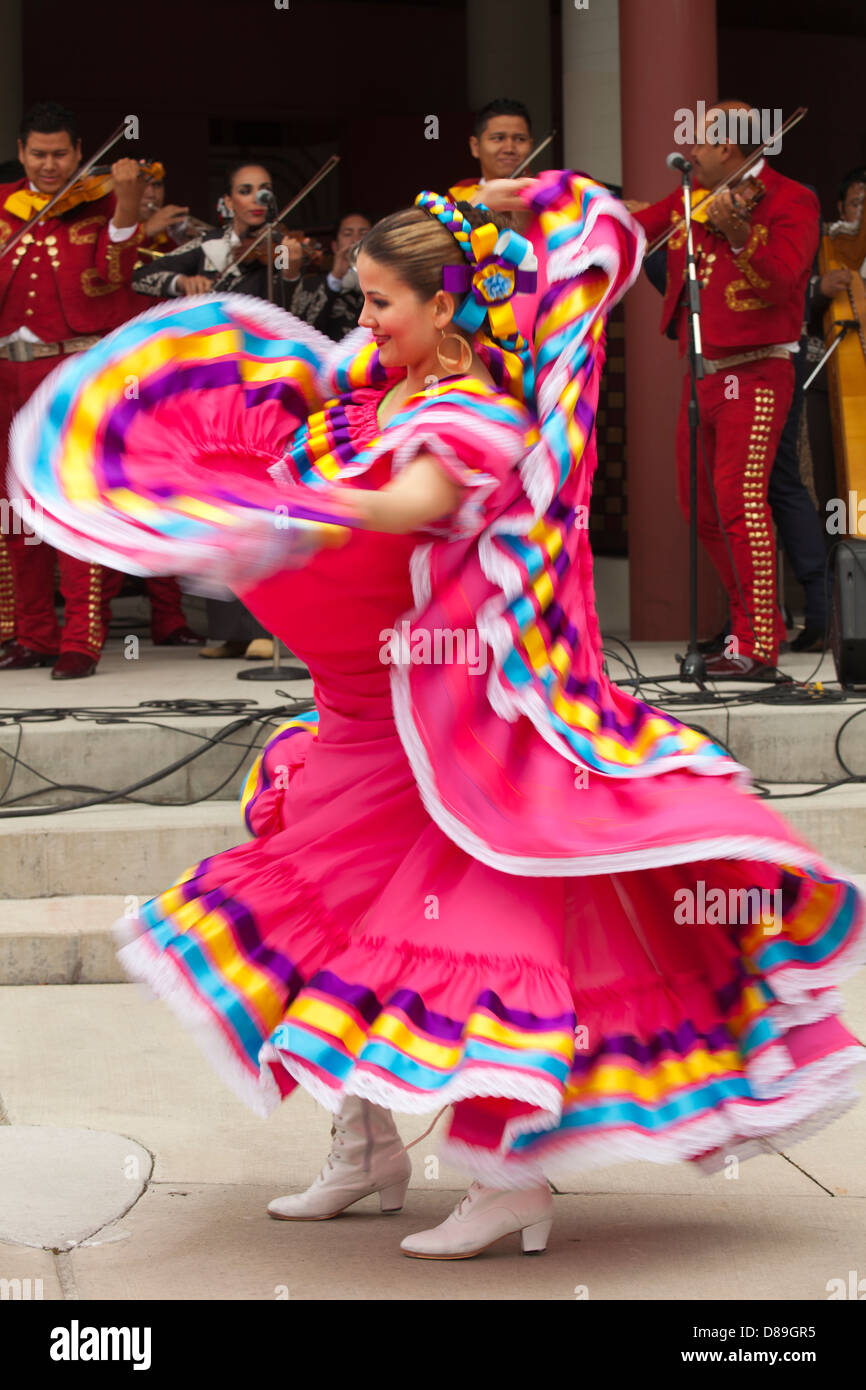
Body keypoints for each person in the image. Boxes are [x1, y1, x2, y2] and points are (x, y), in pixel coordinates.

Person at [11, 174, 864, 1261]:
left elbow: (407, 505)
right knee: (322, 942)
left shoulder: (473, 417)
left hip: (452, 736)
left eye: (378, 303)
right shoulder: (380, 384)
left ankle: (513, 1179)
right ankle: (364, 1151)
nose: (359, 323)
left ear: (444, 306)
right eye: (359, 300)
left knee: (474, 949)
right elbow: (297, 429)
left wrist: (282, 512)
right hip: (358, 728)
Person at [630, 101, 820, 680]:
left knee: (741, 503)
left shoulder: (792, 199)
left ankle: (761, 644)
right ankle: (743, 630)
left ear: (733, 149)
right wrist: (569, 210)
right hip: (703, 372)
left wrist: (739, 233)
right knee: (703, 509)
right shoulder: (694, 194)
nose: (692, 150)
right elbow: (638, 227)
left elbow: (785, 282)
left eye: (704, 140)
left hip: (757, 372)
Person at [0, 101, 144, 679]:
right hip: (7, 372)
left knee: (70, 503)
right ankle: (29, 633)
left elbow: (113, 278)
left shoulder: (103, 202)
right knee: (14, 512)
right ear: (21, 152)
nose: (50, 164)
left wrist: (130, 200)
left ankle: (80, 640)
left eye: (61, 153)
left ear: (80, 152)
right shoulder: (6, 207)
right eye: (39, 153)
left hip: (69, 372)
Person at [283, 211, 371, 341]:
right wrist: (335, 279)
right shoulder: (311, 284)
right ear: (335, 246)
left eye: (363, 234)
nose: (356, 240)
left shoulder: (387, 285)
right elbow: (303, 331)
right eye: (348, 234)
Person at [448, 98, 534, 206]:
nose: (509, 149)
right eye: (498, 138)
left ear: (531, 147)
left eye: (520, 139)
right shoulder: (457, 194)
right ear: (475, 147)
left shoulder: (545, 195)